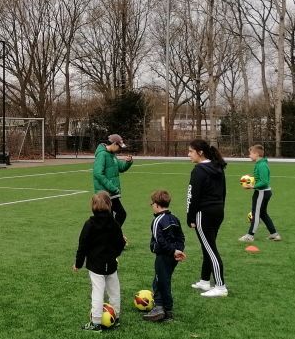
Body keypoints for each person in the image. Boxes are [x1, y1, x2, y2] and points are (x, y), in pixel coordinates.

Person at [73, 190, 127, 331]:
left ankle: (96, 322)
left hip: (95, 265)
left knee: (97, 292)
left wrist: (78, 264)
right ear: (110, 205)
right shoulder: (114, 223)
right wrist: (115, 254)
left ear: (92, 206)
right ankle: (116, 316)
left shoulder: (89, 224)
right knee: (114, 290)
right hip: (111, 263)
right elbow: (121, 242)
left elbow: (82, 245)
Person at [187, 139, 229, 298]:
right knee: (208, 246)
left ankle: (220, 286)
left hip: (204, 214)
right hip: (218, 211)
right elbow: (224, 192)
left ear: (200, 152)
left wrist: (190, 217)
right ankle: (205, 281)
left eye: (191, 151)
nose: (188, 154)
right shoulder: (217, 166)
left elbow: (192, 196)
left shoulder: (198, 170)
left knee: (210, 249)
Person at [142, 190, 186, 323]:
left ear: (156, 204)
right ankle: (162, 308)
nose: (151, 206)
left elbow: (159, 240)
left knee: (161, 281)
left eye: (152, 203)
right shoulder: (175, 219)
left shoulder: (157, 221)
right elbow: (181, 237)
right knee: (161, 280)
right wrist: (179, 250)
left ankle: (165, 310)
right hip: (173, 257)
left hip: (163, 256)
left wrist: (173, 251)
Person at [239, 144, 281, 242]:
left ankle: (250, 235)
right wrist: (252, 179)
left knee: (256, 213)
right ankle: (274, 234)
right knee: (263, 214)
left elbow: (265, 182)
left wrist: (253, 186)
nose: (249, 155)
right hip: (262, 192)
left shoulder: (262, 165)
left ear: (256, 154)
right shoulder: (260, 164)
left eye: (250, 153)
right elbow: (260, 178)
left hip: (262, 193)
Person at [92, 133, 133, 227]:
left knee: (120, 214)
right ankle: (111, 235)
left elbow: (121, 168)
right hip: (104, 194)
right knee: (110, 218)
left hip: (112, 194)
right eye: (119, 146)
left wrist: (128, 162)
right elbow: (98, 173)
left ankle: (113, 234)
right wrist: (112, 187)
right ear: (114, 144)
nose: (120, 149)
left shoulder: (112, 155)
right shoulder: (102, 155)